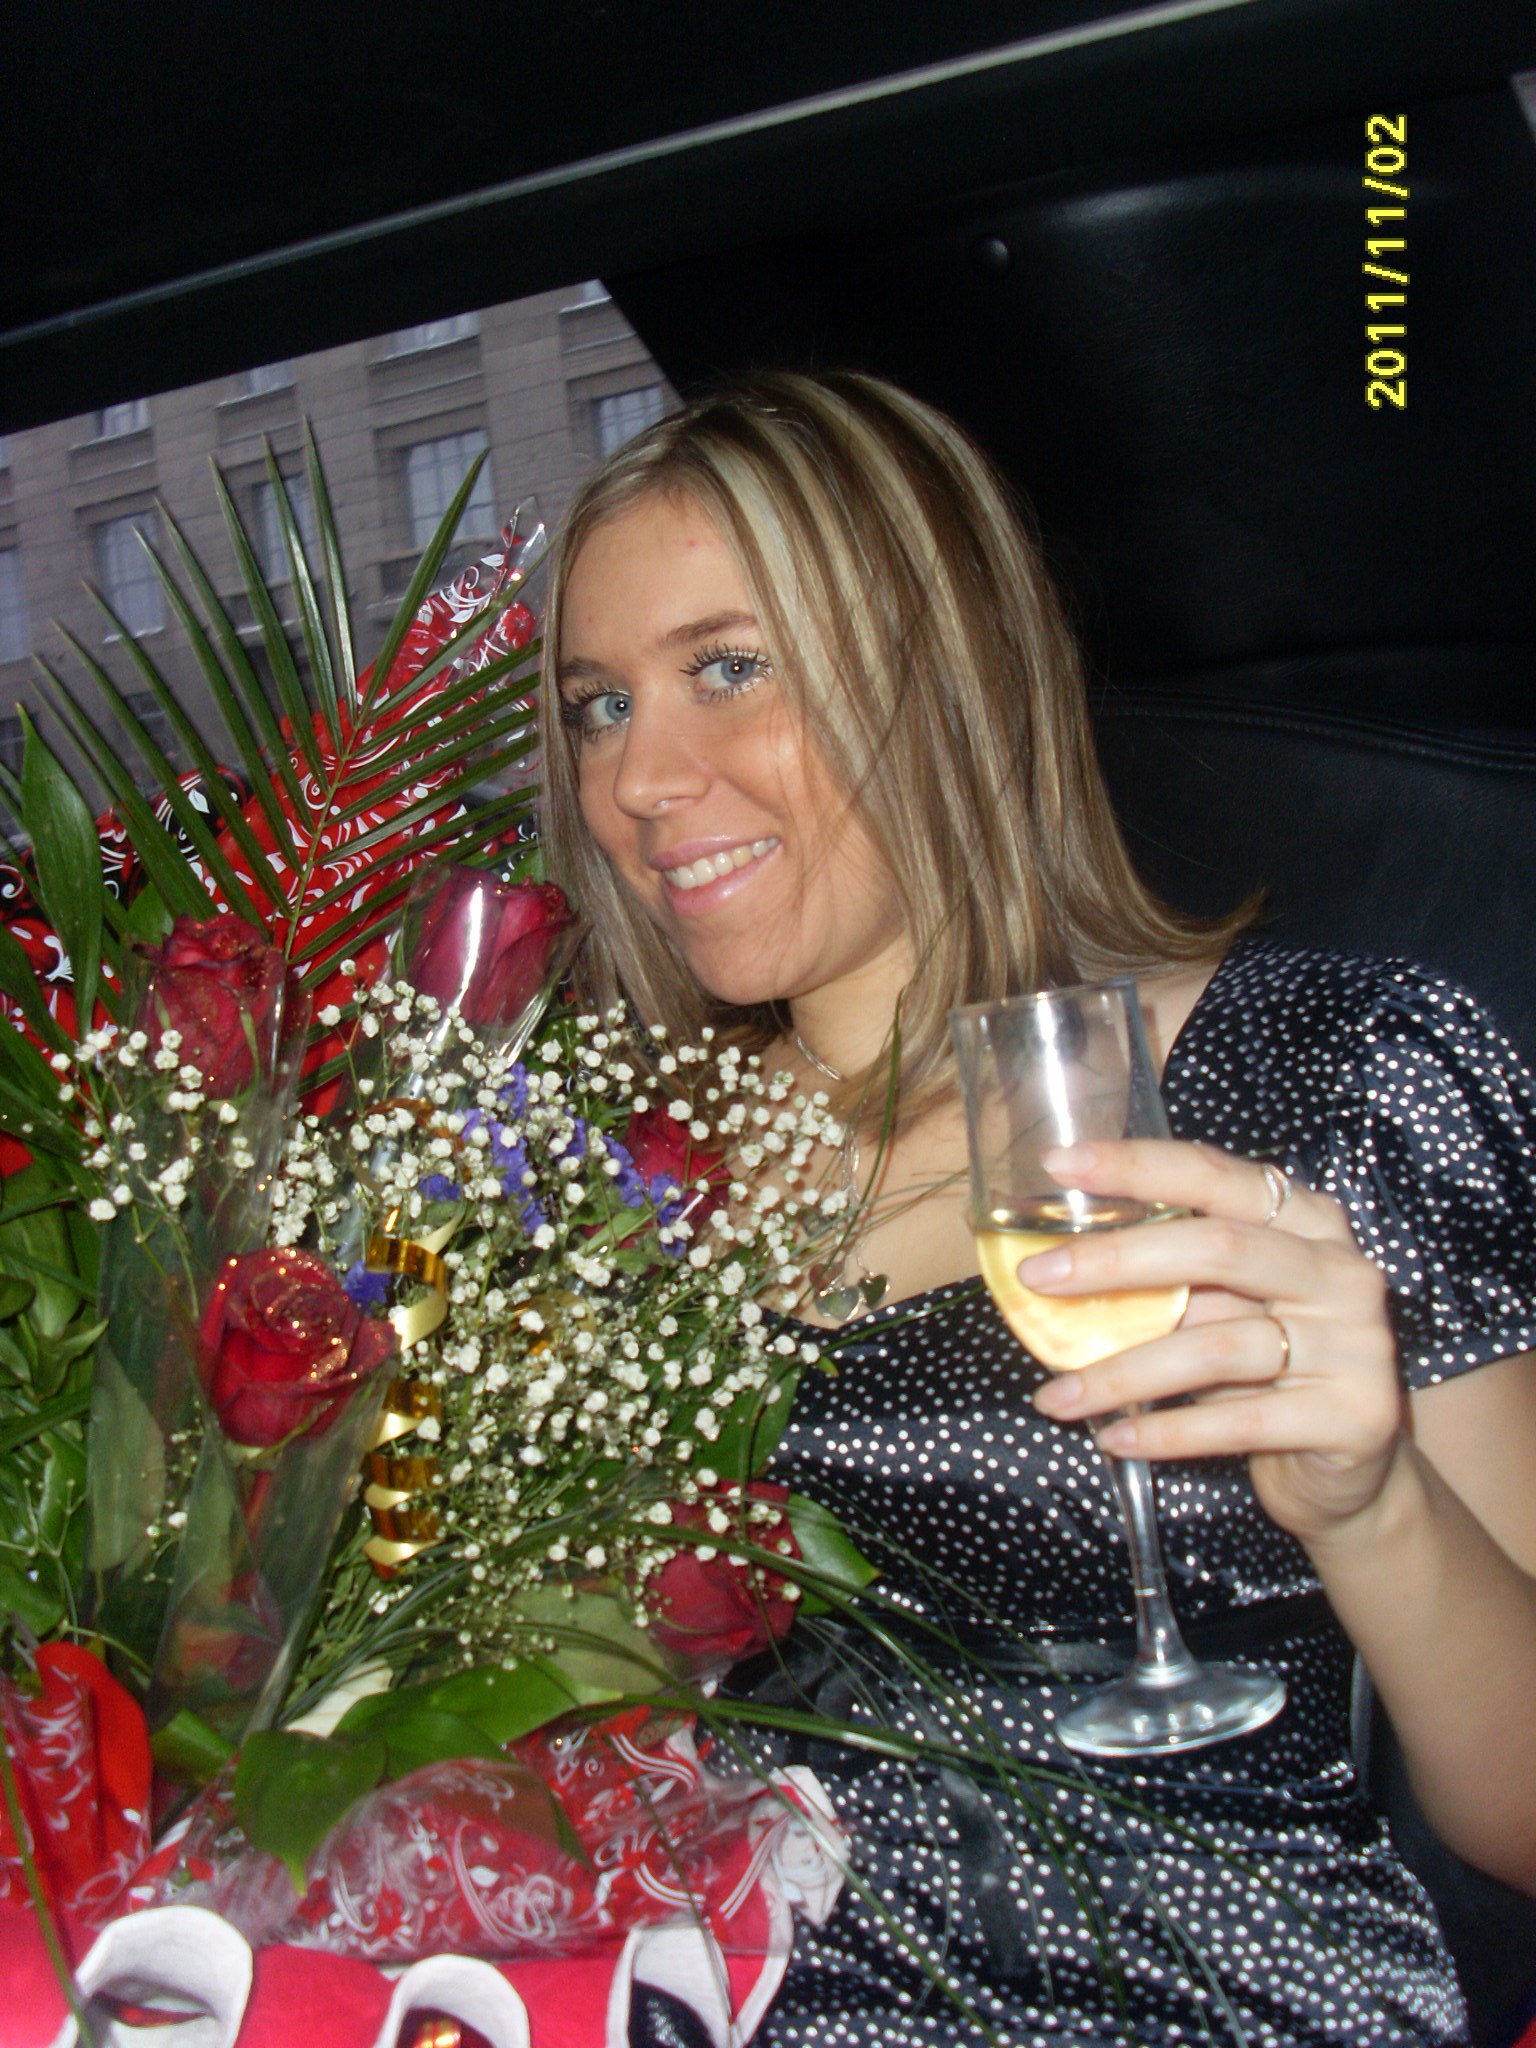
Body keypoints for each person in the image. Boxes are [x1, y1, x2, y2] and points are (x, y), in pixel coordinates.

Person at [537, 369, 1536, 2046]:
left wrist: (1372, 1508)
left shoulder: (1328, 1077)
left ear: (943, 671)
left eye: (729, 668)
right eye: (597, 706)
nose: (642, 778)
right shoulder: (608, 1179)